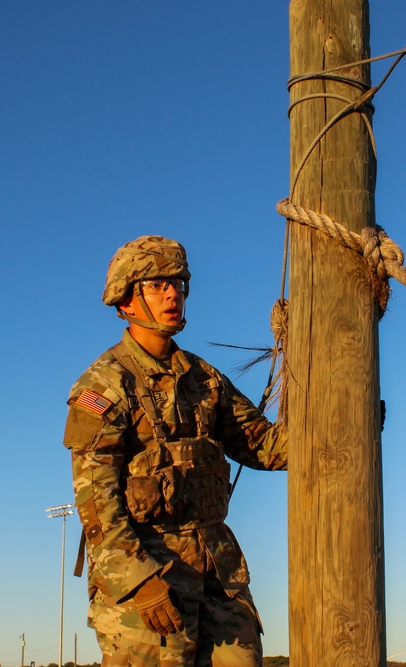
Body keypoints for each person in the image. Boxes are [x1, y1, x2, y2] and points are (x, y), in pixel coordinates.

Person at [62, 235, 288, 667]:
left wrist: (348, 417)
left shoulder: (203, 378)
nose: (173, 293)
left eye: (179, 283)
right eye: (157, 284)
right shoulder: (104, 385)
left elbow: (264, 447)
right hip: (148, 579)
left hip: (217, 573)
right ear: (126, 299)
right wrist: (139, 583)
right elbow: (96, 502)